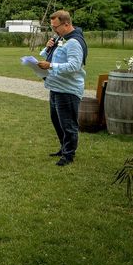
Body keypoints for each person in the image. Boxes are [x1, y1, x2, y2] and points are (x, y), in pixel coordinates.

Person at [37, 10, 87, 167]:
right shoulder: (61, 38)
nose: (54, 30)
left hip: (68, 89)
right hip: (56, 87)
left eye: (55, 27)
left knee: (68, 123)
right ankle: (63, 147)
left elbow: (74, 65)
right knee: (57, 120)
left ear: (66, 24)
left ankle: (69, 155)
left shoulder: (74, 42)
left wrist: (51, 65)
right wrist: (47, 48)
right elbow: (49, 56)